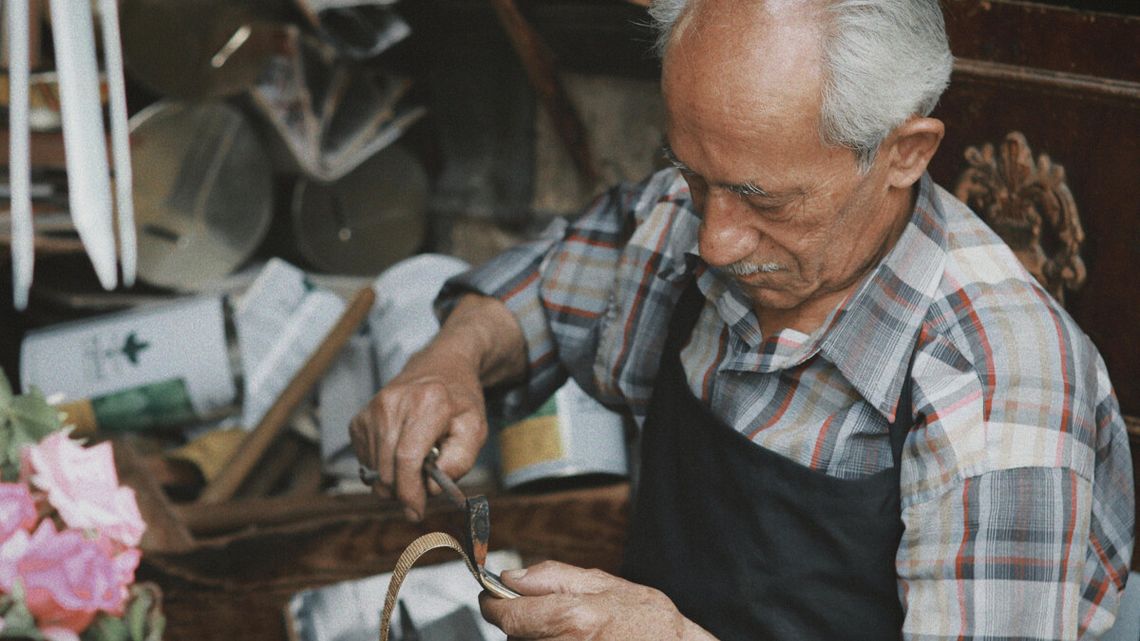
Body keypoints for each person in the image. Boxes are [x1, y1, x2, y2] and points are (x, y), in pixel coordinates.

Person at [350, 0, 1135, 638]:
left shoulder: (997, 394)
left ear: (905, 152)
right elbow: (552, 284)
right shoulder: (696, 212)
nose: (717, 239)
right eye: (693, 176)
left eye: (765, 199)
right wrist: (453, 357)